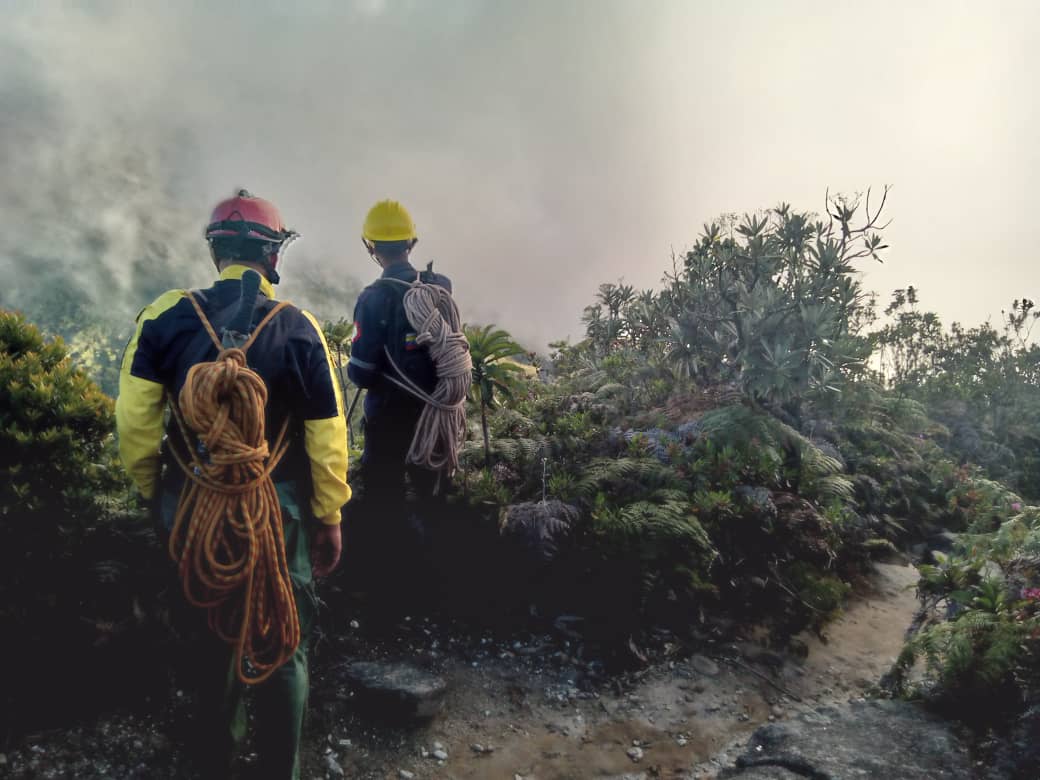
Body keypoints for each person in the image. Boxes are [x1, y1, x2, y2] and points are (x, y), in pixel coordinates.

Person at [115, 189, 351, 779]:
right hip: (279, 510)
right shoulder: (298, 327)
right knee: (285, 636)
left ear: (216, 252)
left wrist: (154, 497)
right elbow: (327, 434)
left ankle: (215, 759)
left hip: (193, 506)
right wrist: (329, 516)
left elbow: (136, 421)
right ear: (273, 255)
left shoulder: (165, 316)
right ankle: (279, 769)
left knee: (208, 635)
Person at [346, 200, 453, 554]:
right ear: (412, 243)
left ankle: (388, 569)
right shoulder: (440, 287)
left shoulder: (372, 298)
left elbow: (361, 373)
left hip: (387, 420)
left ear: (370, 247)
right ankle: (433, 565)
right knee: (431, 496)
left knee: (383, 497)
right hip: (434, 417)